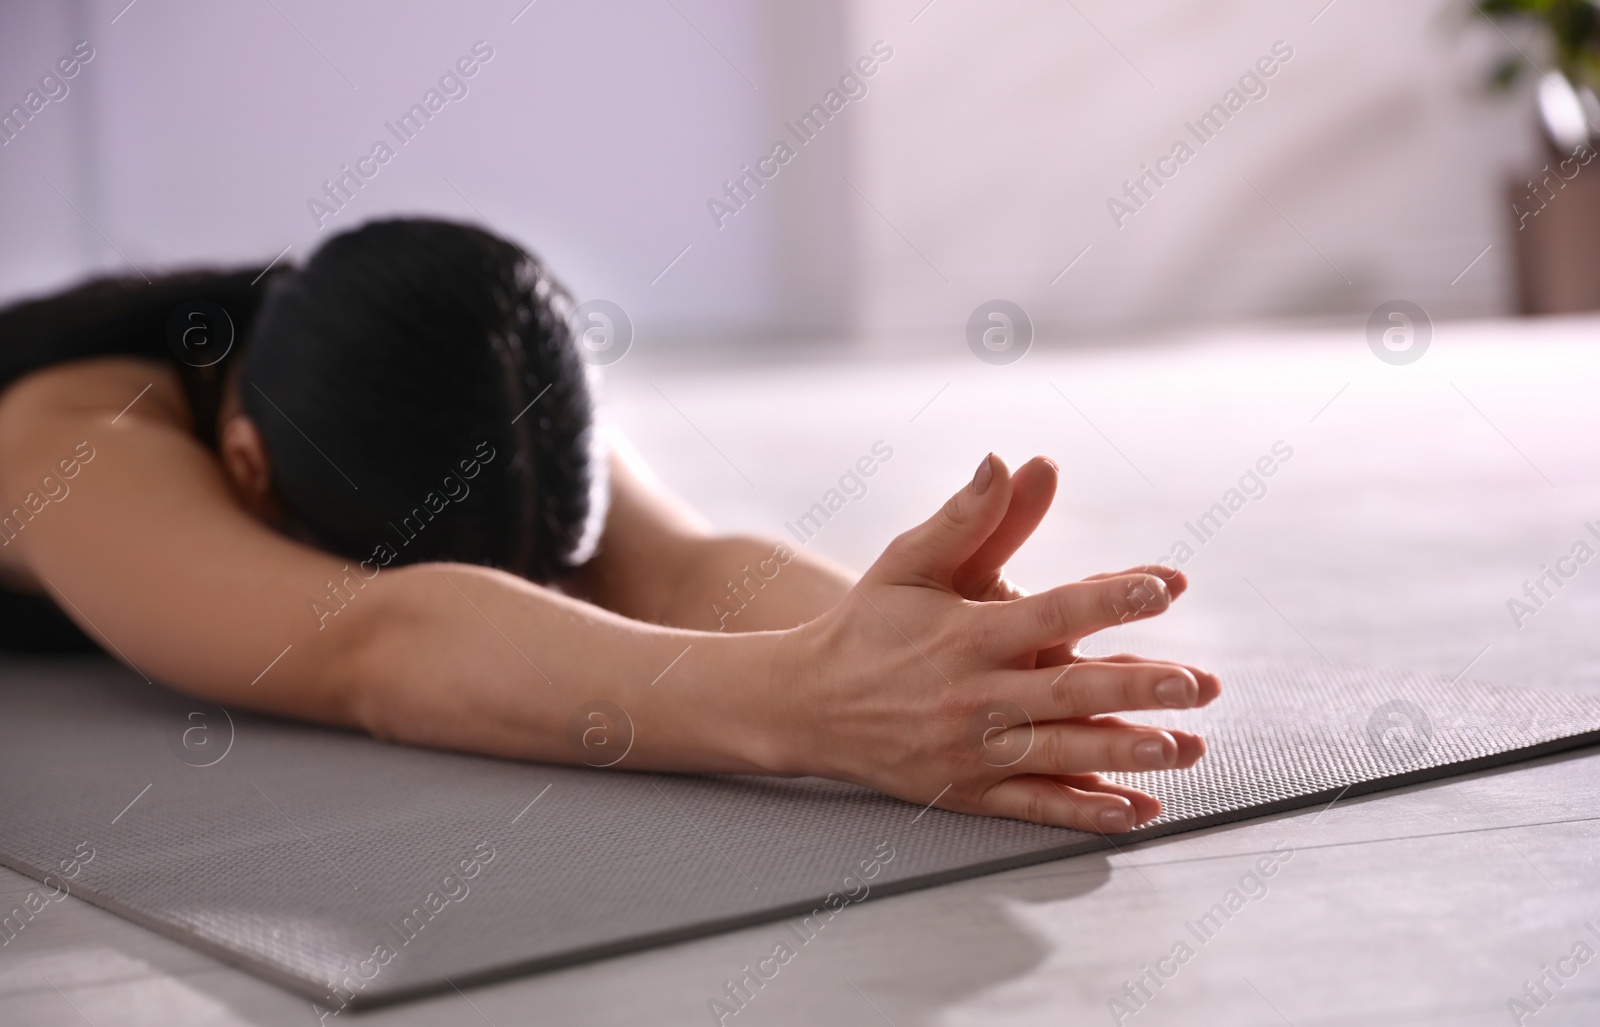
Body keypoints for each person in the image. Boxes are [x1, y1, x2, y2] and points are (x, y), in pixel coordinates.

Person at [0, 217, 1218, 833]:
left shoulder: (462, 375)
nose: (556, 584)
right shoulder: (69, 443)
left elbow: (684, 571)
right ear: (251, 472)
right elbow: (368, 643)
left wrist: (939, 653)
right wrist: (821, 709)